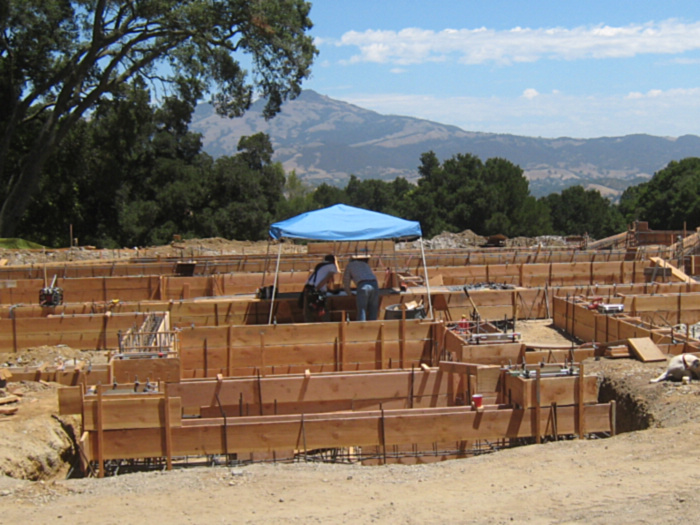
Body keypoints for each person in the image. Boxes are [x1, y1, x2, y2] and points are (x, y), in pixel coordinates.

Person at [342, 254, 379, 321]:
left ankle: (362, 328)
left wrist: (349, 293)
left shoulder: (349, 266)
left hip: (363, 285)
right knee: (373, 309)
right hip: (374, 284)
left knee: (362, 310)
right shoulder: (365, 264)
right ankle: (373, 328)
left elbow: (346, 281)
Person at [302, 254, 339, 322]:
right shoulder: (332, 266)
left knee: (308, 312)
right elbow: (326, 278)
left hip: (308, 287)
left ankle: (308, 328)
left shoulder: (320, 265)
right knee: (323, 310)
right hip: (317, 289)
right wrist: (317, 288)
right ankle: (327, 327)